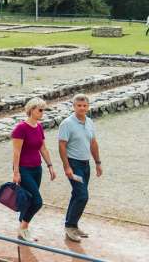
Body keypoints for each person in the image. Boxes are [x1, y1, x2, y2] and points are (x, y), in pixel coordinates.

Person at [10, 97, 56, 242]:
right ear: (31, 110)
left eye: (43, 110)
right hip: (24, 169)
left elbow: (43, 147)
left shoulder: (39, 127)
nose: (42, 112)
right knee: (37, 201)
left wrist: (50, 166)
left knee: (29, 200)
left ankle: (23, 230)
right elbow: (16, 152)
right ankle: (23, 228)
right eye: (40, 110)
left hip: (37, 168)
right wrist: (16, 172)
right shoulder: (21, 128)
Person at [58, 94, 102, 243]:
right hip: (74, 164)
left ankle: (72, 225)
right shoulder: (67, 123)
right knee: (82, 195)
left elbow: (93, 143)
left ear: (88, 107)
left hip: (85, 164)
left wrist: (97, 162)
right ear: (74, 106)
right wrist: (67, 166)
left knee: (77, 194)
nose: (82, 108)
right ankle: (69, 227)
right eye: (79, 105)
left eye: (84, 106)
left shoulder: (89, 122)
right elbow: (62, 146)